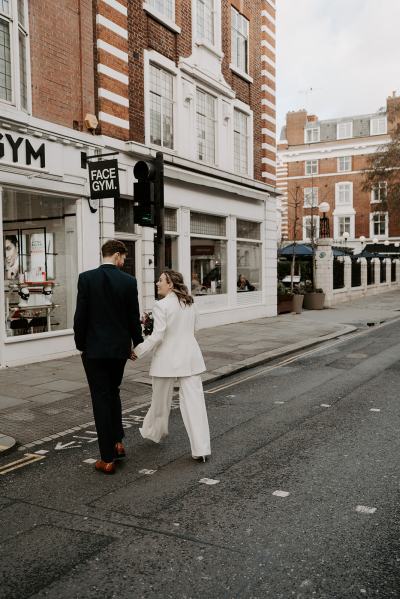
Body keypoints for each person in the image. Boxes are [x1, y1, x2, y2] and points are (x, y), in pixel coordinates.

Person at [73, 239, 143, 474]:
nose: (124, 261)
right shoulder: (129, 281)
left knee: (101, 399)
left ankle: (107, 458)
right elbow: (133, 318)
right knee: (113, 392)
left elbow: (80, 317)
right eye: (123, 257)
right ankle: (118, 442)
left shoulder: (86, 278)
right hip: (118, 351)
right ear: (116, 255)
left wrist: (81, 345)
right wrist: (137, 344)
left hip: (94, 350)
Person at [132, 269, 211, 462]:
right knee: (195, 404)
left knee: (160, 401)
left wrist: (138, 351)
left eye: (161, 281)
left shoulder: (161, 305)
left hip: (166, 360)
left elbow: (158, 336)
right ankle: (201, 449)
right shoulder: (190, 302)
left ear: (171, 285)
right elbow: (196, 328)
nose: (157, 283)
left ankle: (156, 432)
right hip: (190, 358)